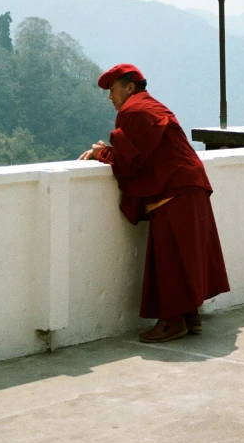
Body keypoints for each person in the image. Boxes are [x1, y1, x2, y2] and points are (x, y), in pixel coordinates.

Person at [78, 63, 230, 344]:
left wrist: (102, 154)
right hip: (189, 183)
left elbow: (131, 163)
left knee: (170, 257)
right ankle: (190, 317)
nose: (110, 97)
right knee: (185, 254)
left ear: (129, 88)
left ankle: (172, 322)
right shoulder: (152, 107)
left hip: (174, 188)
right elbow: (145, 153)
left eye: (112, 90)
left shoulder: (133, 111)